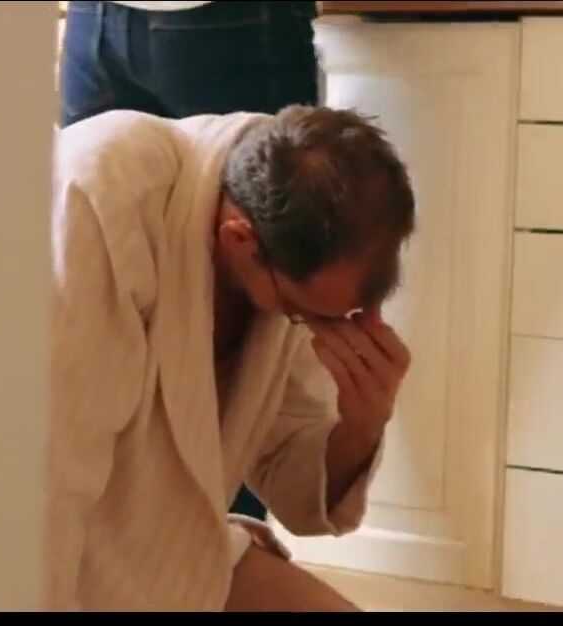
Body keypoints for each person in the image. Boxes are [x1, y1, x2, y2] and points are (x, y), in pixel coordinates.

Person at [45, 104, 415, 611]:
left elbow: (295, 492)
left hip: (168, 544)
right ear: (239, 240)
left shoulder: (287, 226)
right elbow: (45, 483)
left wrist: (361, 424)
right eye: (303, 313)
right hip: (45, 541)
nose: (324, 330)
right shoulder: (102, 197)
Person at [58, 0, 321, 522]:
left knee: (90, 290)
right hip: (225, 20)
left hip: (96, 19)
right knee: (249, 276)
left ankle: (114, 549)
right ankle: (208, 553)